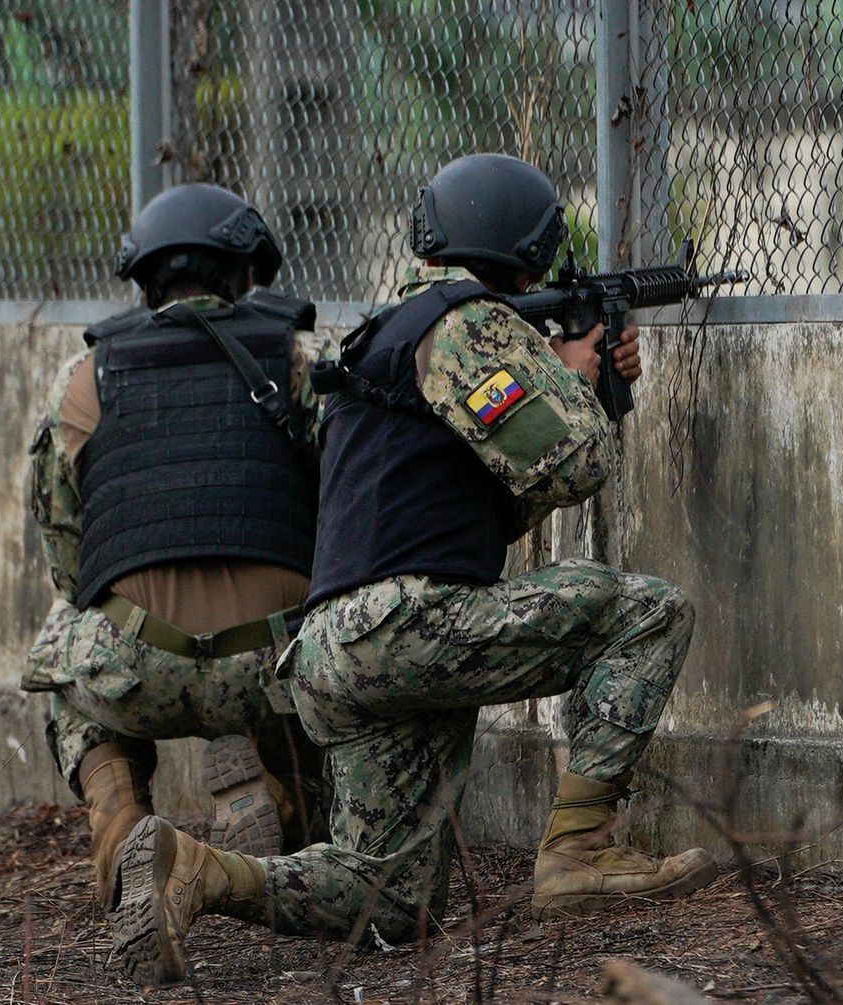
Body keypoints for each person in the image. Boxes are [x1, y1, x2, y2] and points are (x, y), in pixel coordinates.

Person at [108, 154, 716, 988]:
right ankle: (578, 850)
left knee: (385, 899)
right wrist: (581, 383)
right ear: (522, 250)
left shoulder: (383, 330)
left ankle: (198, 872)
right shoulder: (469, 325)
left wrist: (574, 379)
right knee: (650, 610)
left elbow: (487, 502)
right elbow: (575, 464)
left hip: (333, 652)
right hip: (406, 626)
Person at [20, 183, 333, 908]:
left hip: (138, 667)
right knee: (323, 625)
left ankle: (122, 830)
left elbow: (68, 561)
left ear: (146, 279)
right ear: (244, 273)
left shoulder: (82, 379)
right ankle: (280, 797)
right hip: (273, 665)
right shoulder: (299, 358)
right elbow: (347, 509)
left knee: (61, 645)